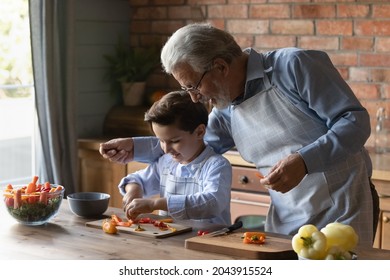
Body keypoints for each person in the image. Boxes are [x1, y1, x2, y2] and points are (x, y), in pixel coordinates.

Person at [100, 23, 379, 247]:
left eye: (193, 86)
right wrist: (135, 147)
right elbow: (193, 147)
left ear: (221, 67)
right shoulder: (224, 110)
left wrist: (304, 161)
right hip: (286, 218)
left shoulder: (294, 66)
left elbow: (354, 121)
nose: (195, 99)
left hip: (344, 208)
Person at [112, 91, 232, 225]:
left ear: (199, 132)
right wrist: (134, 191)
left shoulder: (217, 165)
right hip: (171, 239)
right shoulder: (166, 162)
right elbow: (137, 180)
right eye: (161, 141)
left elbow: (212, 203)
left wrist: (155, 203)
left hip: (208, 242)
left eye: (174, 141)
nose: (166, 149)